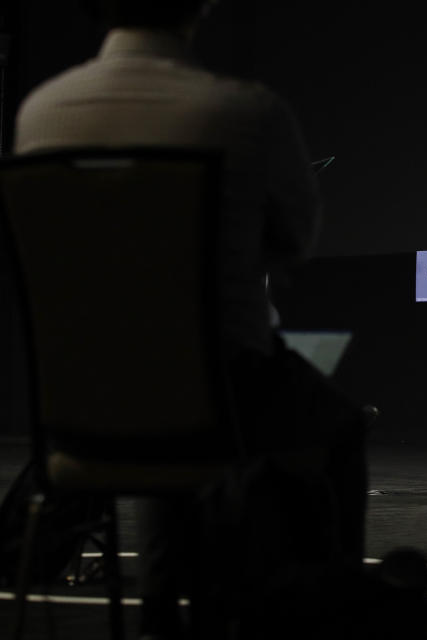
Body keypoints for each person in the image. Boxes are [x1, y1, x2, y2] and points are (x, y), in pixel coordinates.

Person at [14, 1, 370, 636]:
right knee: (337, 427)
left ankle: (157, 614)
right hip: (215, 399)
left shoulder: (39, 111)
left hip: (78, 411)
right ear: (200, 7)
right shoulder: (246, 111)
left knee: (163, 403)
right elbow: (297, 240)